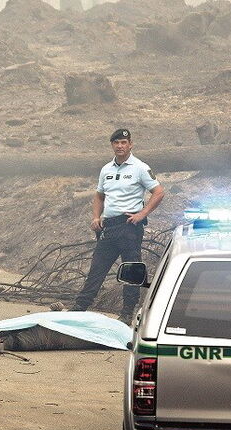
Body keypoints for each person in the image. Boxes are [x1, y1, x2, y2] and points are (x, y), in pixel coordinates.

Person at [71, 128, 165, 321]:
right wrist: (96, 217)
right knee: (97, 268)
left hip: (129, 226)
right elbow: (99, 196)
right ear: (112, 145)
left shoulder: (140, 167)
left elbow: (158, 192)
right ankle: (79, 308)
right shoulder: (106, 169)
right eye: (116, 143)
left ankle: (127, 313)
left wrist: (143, 213)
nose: (120, 146)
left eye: (124, 143)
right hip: (109, 227)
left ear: (130, 144)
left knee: (130, 270)